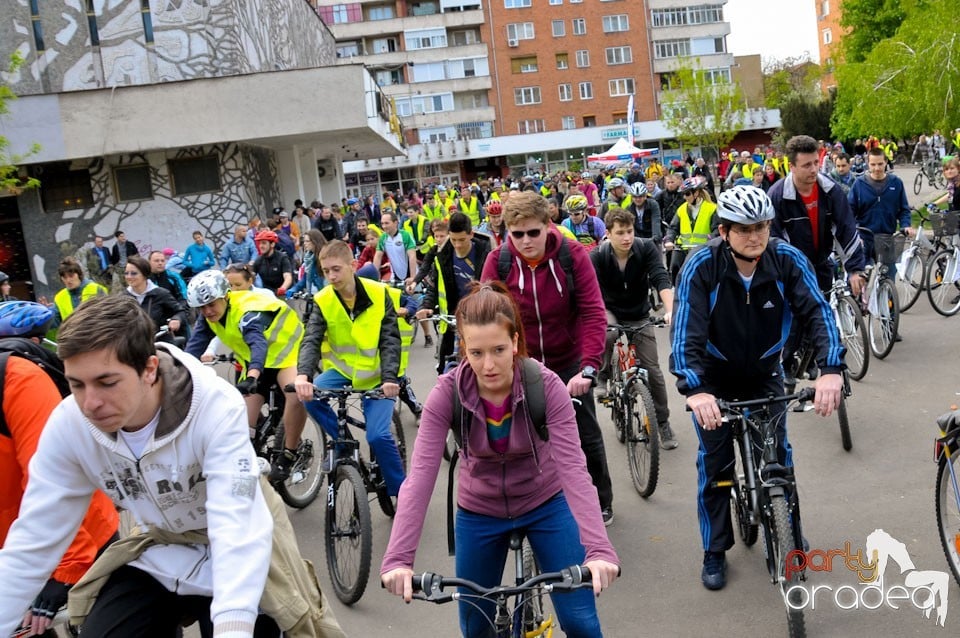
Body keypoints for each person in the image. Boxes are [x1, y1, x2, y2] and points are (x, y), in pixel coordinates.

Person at [0, 295, 342, 638]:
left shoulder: (215, 407)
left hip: (238, 537)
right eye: (76, 384)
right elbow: (34, 539)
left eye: (107, 382)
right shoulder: (69, 424)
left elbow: (235, 528)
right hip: (158, 542)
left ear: (149, 369)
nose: (90, 403)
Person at [380, 282, 620, 636]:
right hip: (479, 511)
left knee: (581, 623)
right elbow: (419, 480)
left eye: (499, 350)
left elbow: (574, 470)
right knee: (475, 626)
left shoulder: (547, 386)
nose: (488, 365)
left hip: (545, 503)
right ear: (463, 349)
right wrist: (398, 559)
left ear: (516, 344)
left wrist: (600, 551)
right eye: (476, 353)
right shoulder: (446, 394)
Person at [669, 185, 846, 591]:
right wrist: (694, 389)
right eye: (745, 228)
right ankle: (714, 549)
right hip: (713, 378)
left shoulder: (785, 259)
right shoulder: (702, 266)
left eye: (762, 226)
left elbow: (818, 311)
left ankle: (787, 531)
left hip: (766, 371)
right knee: (716, 468)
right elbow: (685, 334)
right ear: (725, 230)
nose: (756, 236)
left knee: (779, 459)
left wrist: (831, 369)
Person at [480, 191, 615, 525]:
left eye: (533, 232)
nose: (525, 241)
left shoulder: (571, 255)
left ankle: (600, 500)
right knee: (516, 438)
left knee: (584, 433)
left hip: (569, 359)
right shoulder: (499, 262)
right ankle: (532, 503)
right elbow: (482, 320)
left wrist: (589, 366)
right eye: (517, 234)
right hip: (521, 361)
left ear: (548, 225)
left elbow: (593, 312)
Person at [0, 301, 119, 637]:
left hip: (77, 541)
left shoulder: (15, 377)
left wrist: (65, 569)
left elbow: (54, 482)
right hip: (15, 553)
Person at [293, 240, 405, 497]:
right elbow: (311, 338)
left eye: (336, 269)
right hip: (344, 372)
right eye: (325, 271)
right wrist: (303, 375)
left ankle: (402, 493)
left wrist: (390, 378)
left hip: (379, 376)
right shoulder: (322, 299)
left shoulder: (378, 293)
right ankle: (342, 441)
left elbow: (390, 340)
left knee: (377, 436)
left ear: (352, 266)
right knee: (310, 395)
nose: (331, 276)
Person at [184, 270, 307, 483]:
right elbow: (193, 349)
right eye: (201, 307)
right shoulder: (208, 317)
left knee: (295, 394)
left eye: (211, 304)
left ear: (225, 296)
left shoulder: (245, 312)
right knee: (240, 418)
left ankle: (289, 454)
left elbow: (257, 343)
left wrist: (252, 376)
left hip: (288, 353)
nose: (207, 311)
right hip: (258, 360)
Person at [591, 208, 677, 449]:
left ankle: (662, 422)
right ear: (608, 234)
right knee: (608, 333)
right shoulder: (597, 256)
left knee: (653, 371)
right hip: (609, 310)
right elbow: (592, 294)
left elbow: (661, 278)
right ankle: (604, 374)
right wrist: (598, 318)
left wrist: (670, 310)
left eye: (629, 231)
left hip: (639, 313)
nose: (626, 237)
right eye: (620, 233)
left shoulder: (646, 247)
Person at [416, 212, 493, 372]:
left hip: (483, 320)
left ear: (471, 234)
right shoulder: (442, 257)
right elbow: (434, 287)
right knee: (448, 370)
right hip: (453, 323)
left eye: (462, 240)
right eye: (453, 239)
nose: (457, 245)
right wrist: (426, 306)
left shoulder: (487, 253)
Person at [848, 147, 915, 280]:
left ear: (885, 162)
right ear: (868, 164)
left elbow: (903, 209)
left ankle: (888, 299)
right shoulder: (859, 184)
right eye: (873, 164)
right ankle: (861, 299)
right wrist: (853, 233)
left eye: (880, 164)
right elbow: (849, 212)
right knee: (861, 279)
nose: (877, 168)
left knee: (888, 278)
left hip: (887, 238)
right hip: (865, 238)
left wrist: (906, 225)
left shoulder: (896, 183)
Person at [663, 177, 719, 282]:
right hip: (683, 250)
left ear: (696, 193)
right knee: (675, 269)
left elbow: (717, 229)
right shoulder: (682, 209)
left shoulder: (712, 208)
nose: (685, 197)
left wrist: (711, 238)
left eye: (687, 194)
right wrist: (669, 240)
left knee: (707, 277)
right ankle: (676, 290)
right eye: (683, 194)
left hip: (704, 250)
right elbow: (673, 227)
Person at [123, 256, 188, 345]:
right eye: (126, 273)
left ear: (145, 275)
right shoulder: (123, 297)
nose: (129, 277)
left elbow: (180, 311)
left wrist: (176, 319)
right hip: (134, 346)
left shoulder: (161, 294)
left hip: (160, 343)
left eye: (134, 273)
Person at [42, 258, 108, 328]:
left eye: (71, 276)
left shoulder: (96, 289)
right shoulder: (60, 297)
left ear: (79, 275)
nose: (68, 280)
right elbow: (55, 322)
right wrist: (45, 314)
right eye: (64, 277)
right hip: (73, 337)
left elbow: (108, 315)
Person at [373, 211, 418, 287]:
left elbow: (412, 256)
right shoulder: (383, 238)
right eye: (382, 223)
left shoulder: (405, 235)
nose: (384, 226)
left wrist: (413, 277)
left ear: (395, 223)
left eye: (387, 223)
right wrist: (374, 276)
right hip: (395, 277)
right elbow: (377, 257)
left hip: (412, 276)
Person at [285, 229, 327, 300]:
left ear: (315, 242)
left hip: (325, 296)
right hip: (312, 297)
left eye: (307, 241)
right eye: (304, 241)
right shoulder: (308, 259)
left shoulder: (325, 258)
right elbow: (304, 279)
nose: (304, 243)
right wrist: (294, 289)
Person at [252, 230, 294, 296]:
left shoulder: (282, 258)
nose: (261, 246)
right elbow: (251, 276)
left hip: (284, 294)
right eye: (260, 243)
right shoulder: (259, 260)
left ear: (272, 244)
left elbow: (287, 276)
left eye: (264, 243)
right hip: (268, 294)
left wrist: (283, 288)